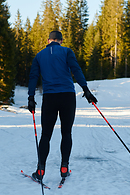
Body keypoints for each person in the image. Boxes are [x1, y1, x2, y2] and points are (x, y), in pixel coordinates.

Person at [28, 30, 97, 181]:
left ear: (48, 41)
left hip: (49, 97)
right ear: (60, 41)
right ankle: (64, 167)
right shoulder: (67, 52)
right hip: (67, 96)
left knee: (46, 135)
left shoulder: (39, 56)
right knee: (66, 133)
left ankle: (40, 171)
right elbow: (76, 70)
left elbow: (33, 76)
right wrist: (86, 90)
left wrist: (31, 97)